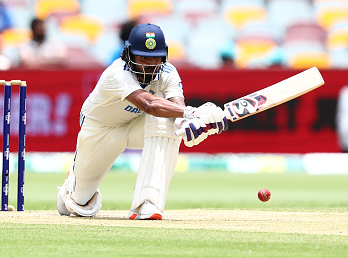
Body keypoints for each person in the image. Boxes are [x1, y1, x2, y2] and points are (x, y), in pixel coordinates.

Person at [57, 23, 228, 219]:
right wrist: (192, 113)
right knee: (76, 205)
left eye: (155, 58)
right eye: (143, 57)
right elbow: (149, 104)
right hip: (101, 130)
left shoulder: (168, 72)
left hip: (136, 124)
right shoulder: (117, 73)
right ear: (129, 54)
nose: (150, 63)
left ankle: (148, 202)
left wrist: (190, 123)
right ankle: (73, 185)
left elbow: (176, 106)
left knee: (170, 123)